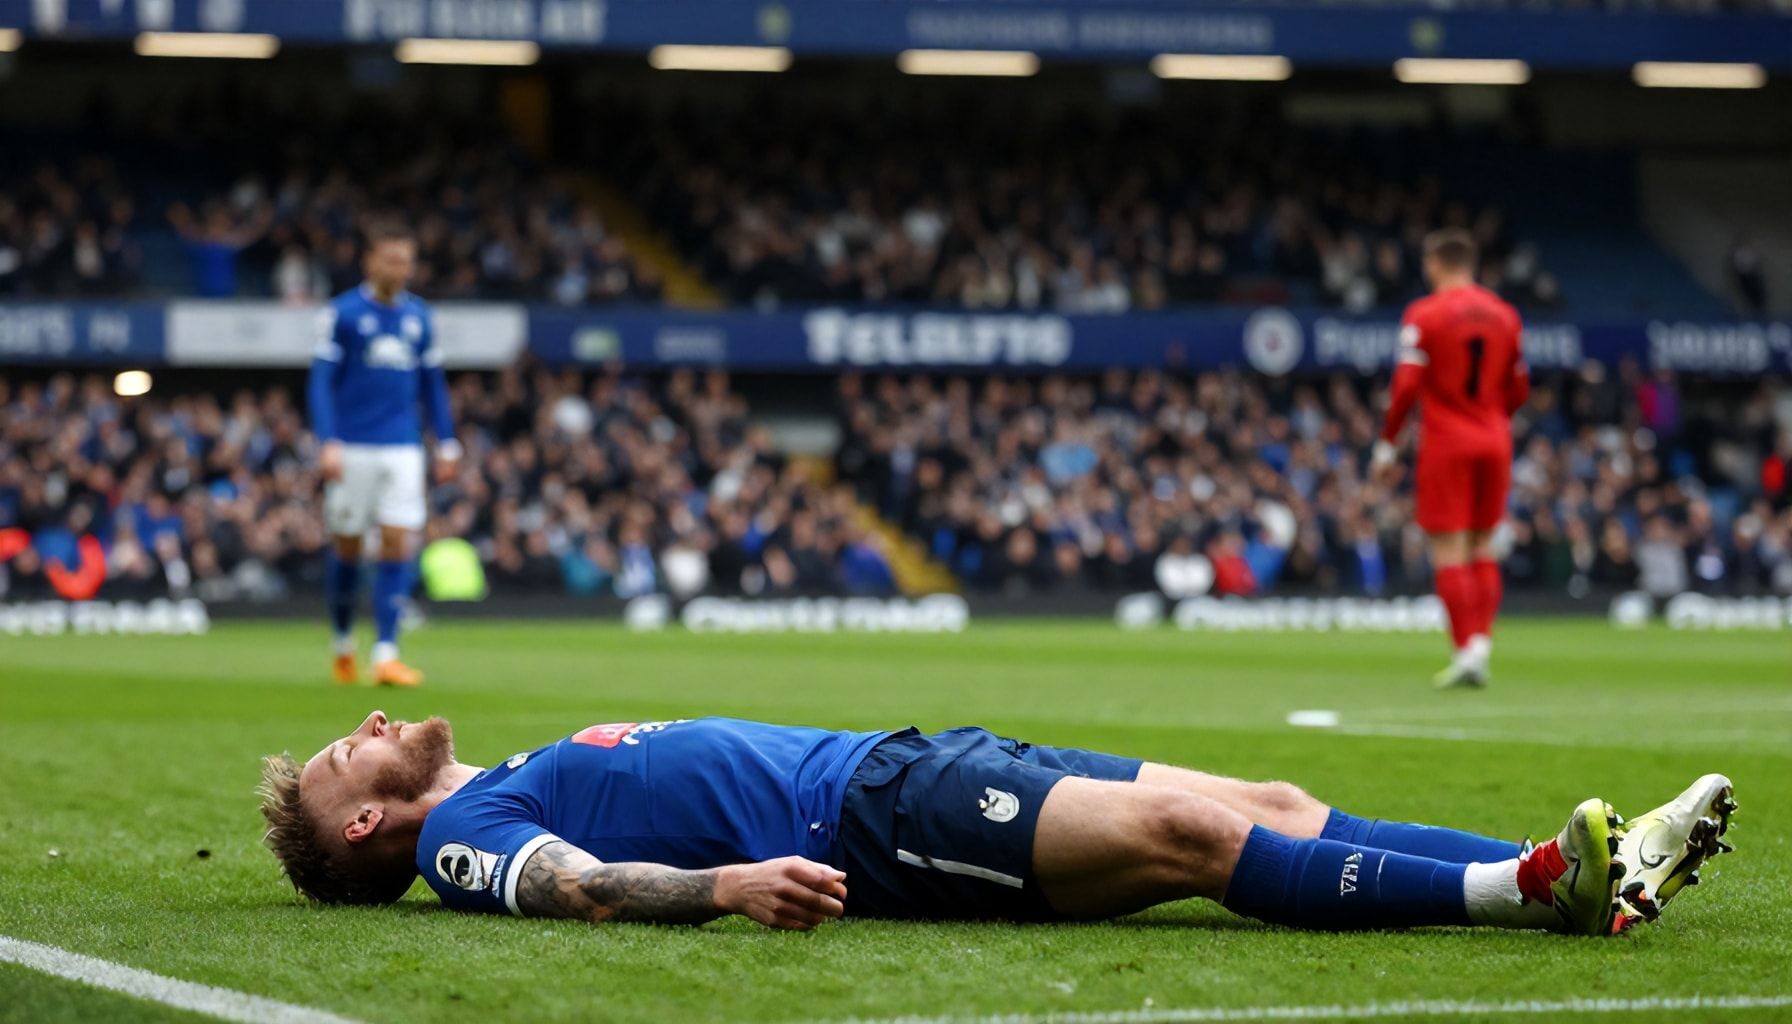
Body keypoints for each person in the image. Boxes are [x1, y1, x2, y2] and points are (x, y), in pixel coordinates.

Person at [259, 712, 1734, 936]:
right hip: (875, 815)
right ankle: (1529, 889)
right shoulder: (467, 844)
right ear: (377, 824)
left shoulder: (487, 768)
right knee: (1193, 845)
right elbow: (577, 886)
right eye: (348, 758)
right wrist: (716, 892)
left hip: (904, 755)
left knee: (1264, 802)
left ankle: (1560, 870)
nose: (371, 730)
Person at [1374, 228, 1528, 688]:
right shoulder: (1505, 315)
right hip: (1495, 438)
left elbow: (1405, 387)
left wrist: (1387, 444)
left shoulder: (1425, 313)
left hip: (1446, 441)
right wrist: (1494, 418)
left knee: (1449, 548)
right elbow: (1519, 389)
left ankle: (1466, 650)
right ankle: (1482, 642)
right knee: (1483, 545)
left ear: (1435, 263)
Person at [307, 223, 458, 687]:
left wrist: (447, 441)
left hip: (403, 445)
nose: (401, 269)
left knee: (398, 541)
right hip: (352, 445)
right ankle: (342, 643)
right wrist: (327, 440)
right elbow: (320, 382)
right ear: (370, 261)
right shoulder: (343, 314)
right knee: (348, 545)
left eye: (407, 260)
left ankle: (387, 652)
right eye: (392, 259)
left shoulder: (420, 317)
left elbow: (433, 384)